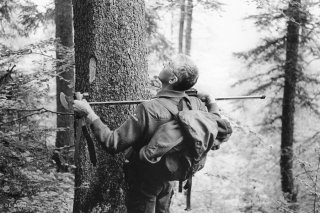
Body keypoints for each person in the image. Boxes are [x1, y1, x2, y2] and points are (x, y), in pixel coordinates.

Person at [73, 54, 223, 213]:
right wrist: (211, 101)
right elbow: (217, 126)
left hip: (144, 180)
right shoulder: (196, 104)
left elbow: (112, 143)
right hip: (169, 175)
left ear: (172, 79)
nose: (164, 63)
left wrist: (88, 112)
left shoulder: (149, 109)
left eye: (169, 64)